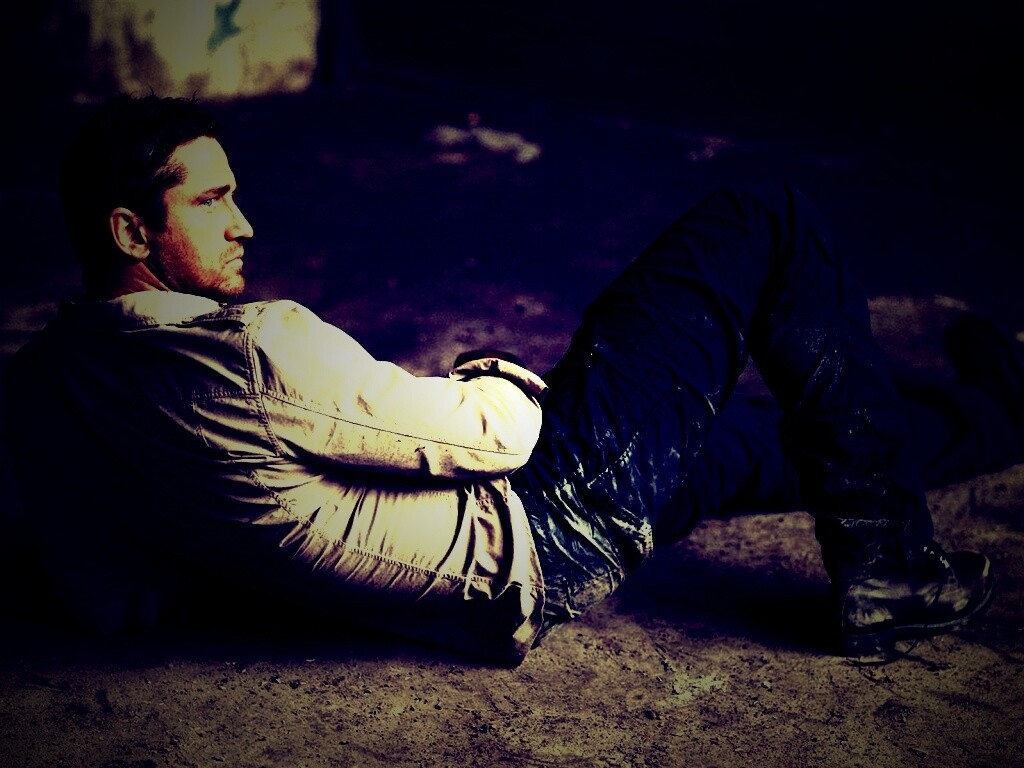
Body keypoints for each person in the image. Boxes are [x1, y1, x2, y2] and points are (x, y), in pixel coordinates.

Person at [3, 94, 1006, 666]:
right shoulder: (253, 349)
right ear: (130, 231)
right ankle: (891, 568)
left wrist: (277, 547)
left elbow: (108, 596)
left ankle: (996, 410)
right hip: (543, 514)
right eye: (211, 202)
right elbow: (500, 435)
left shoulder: (40, 391)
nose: (244, 225)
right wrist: (488, 374)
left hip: (481, 564)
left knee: (749, 442)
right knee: (768, 217)